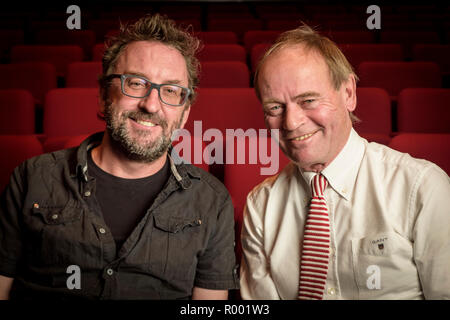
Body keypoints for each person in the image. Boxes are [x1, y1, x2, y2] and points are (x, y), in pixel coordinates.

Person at [0, 14, 239, 300]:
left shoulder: (212, 201)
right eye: (136, 83)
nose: (151, 104)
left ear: (184, 114)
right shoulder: (32, 177)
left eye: (171, 91)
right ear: (103, 96)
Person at [240, 24, 450, 300]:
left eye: (308, 100)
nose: (291, 123)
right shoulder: (259, 207)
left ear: (348, 93)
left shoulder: (423, 188)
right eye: (275, 108)